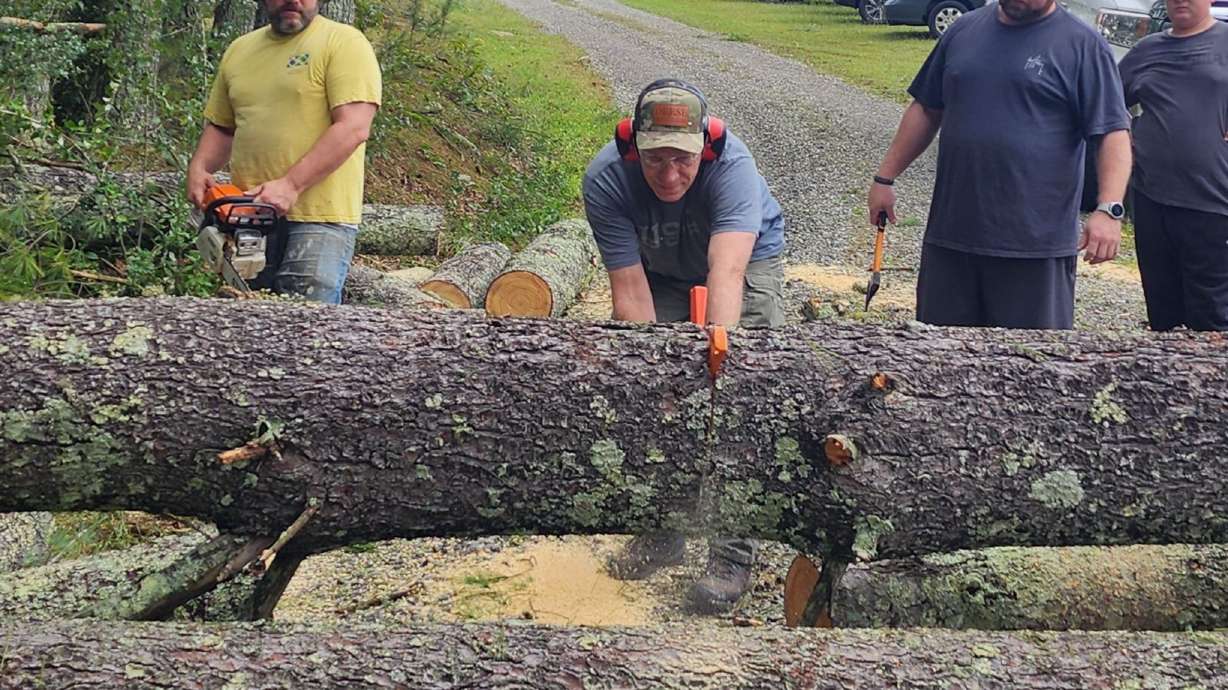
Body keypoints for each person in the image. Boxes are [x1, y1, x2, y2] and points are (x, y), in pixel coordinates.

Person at [582, 78, 786, 613]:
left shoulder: (733, 167)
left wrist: (721, 361)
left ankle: (732, 550)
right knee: (658, 395)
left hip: (743, 260)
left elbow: (728, 271)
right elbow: (629, 290)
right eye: (655, 162)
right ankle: (663, 529)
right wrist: (650, 373)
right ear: (632, 146)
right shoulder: (606, 179)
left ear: (707, 146)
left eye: (683, 161)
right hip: (660, 270)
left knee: (743, 398)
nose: (670, 175)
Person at [867, 0, 1132, 329]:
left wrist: (1109, 208)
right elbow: (926, 109)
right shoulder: (963, 31)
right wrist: (885, 178)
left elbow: (1111, 133)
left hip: (1034, 248)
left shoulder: (1083, 45)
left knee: (1030, 365)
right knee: (940, 362)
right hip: (952, 238)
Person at [186, 0, 381, 303]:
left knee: (308, 328)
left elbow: (354, 127)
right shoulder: (240, 50)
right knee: (243, 324)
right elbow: (223, 126)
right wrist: (200, 169)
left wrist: (291, 185)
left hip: (320, 219)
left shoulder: (344, 43)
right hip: (247, 214)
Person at [1119, 0, 1228, 331]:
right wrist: (1125, 138)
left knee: (1213, 316)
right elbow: (1106, 102)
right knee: (1163, 312)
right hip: (1152, 199)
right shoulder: (1147, 50)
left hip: (1214, 203)